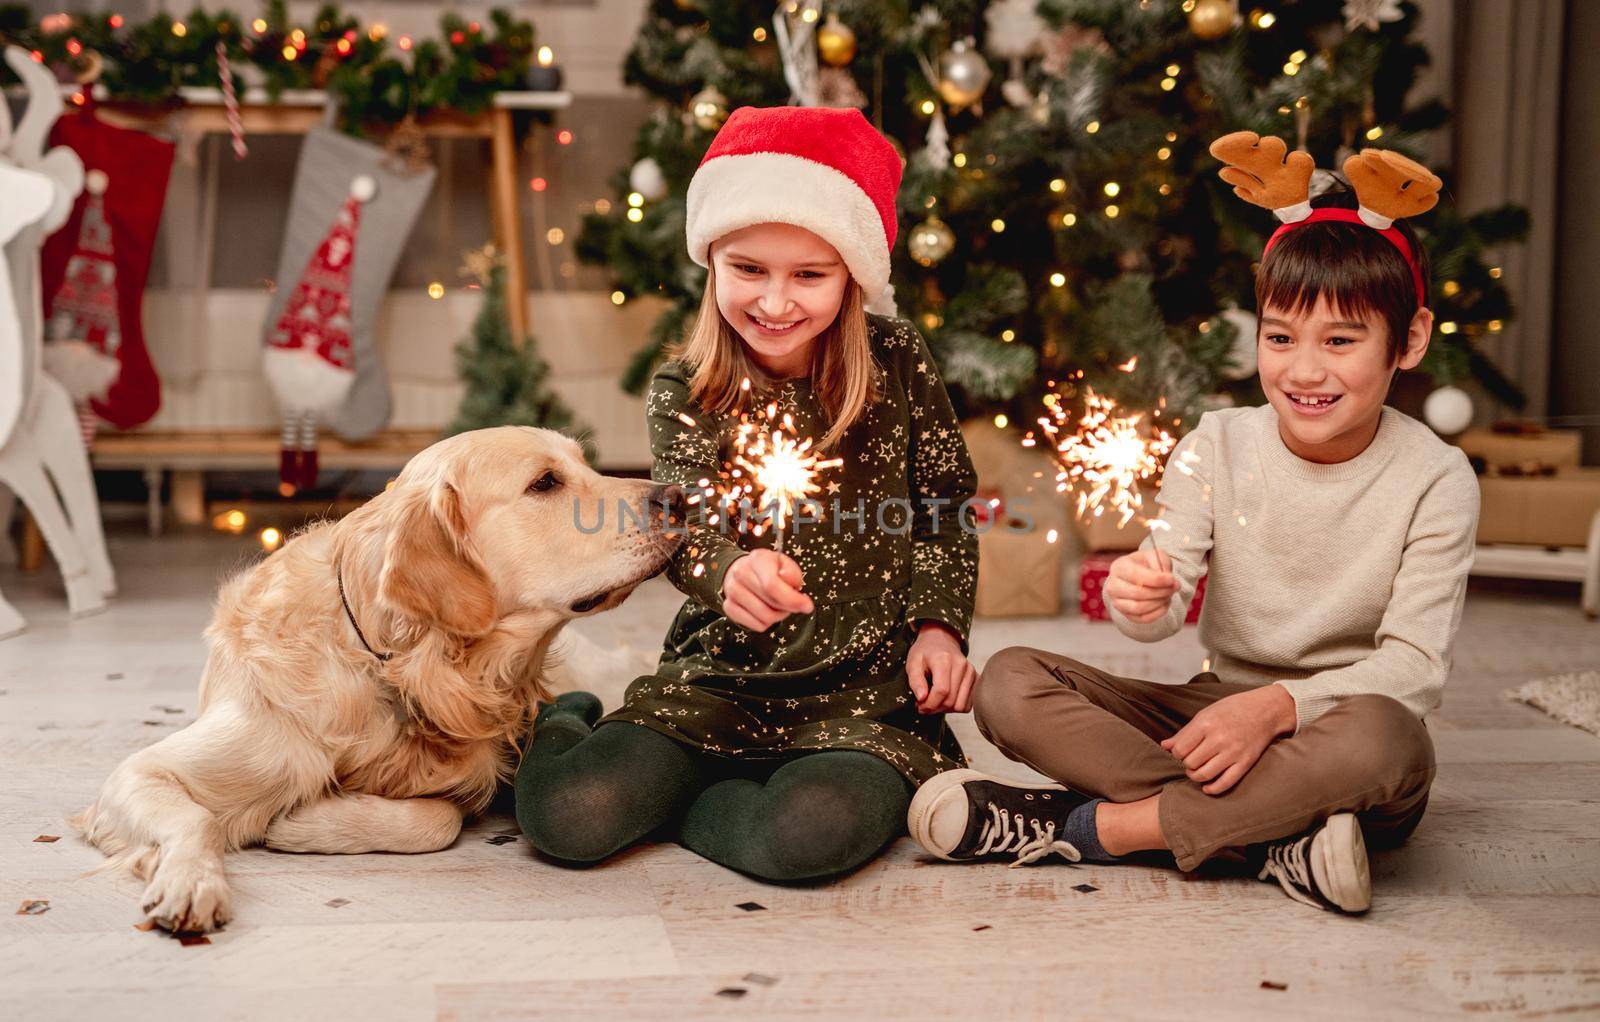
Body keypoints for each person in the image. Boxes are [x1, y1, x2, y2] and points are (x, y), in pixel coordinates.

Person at [908, 134, 1480, 914]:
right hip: (1212, 714)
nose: (1304, 371)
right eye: (1280, 338)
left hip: (1338, 728)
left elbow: (1414, 669)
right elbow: (1163, 609)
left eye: (1341, 342)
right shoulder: (1216, 443)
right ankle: (1280, 838)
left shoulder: (1437, 478)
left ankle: (1091, 828)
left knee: (1390, 740)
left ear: (1407, 340)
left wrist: (1278, 708)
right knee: (1009, 683)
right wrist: (1142, 602)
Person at [516, 106, 980, 882]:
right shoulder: (688, 387)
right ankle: (572, 719)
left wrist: (939, 628)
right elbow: (687, 523)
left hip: (860, 698)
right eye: (748, 270)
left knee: (805, 836)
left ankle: (697, 803)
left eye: (809, 275)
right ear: (712, 263)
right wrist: (728, 571)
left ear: (854, 275)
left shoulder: (897, 363)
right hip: (720, 684)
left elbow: (943, 503)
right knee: (568, 815)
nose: (774, 302)